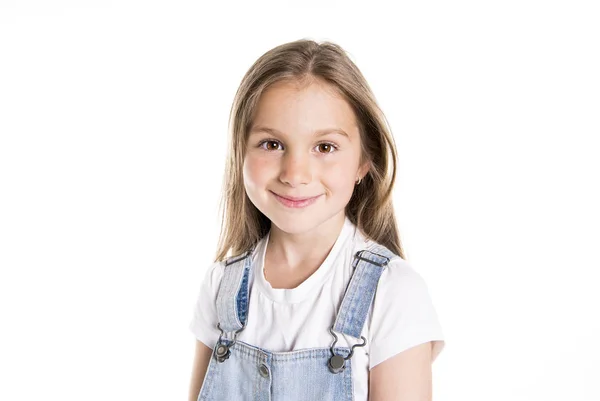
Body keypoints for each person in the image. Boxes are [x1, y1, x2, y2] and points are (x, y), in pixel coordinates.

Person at [188, 39, 445, 401]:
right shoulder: (221, 287)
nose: (295, 173)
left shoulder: (393, 294)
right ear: (239, 151)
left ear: (363, 162)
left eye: (324, 147)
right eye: (272, 144)